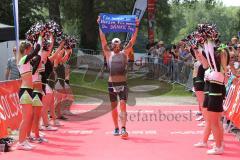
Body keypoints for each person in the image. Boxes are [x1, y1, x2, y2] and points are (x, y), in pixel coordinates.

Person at [98, 16, 139, 139]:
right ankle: (116, 127)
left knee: (123, 105)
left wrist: (136, 26)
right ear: (111, 45)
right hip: (111, 85)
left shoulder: (125, 53)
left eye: (117, 44)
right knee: (114, 107)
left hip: (122, 85)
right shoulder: (108, 54)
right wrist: (100, 24)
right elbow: (102, 39)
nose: (115, 46)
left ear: (120, 45)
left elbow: (133, 39)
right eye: (114, 44)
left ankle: (123, 128)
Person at [16, 34, 42, 150]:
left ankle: (24, 140)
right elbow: (36, 51)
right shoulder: (23, 59)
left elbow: (38, 57)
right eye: (30, 49)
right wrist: (39, 36)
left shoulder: (28, 62)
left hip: (29, 91)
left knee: (28, 117)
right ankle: (20, 142)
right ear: (26, 50)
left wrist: (39, 39)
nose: (31, 51)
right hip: (25, 91)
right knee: (26, 118)